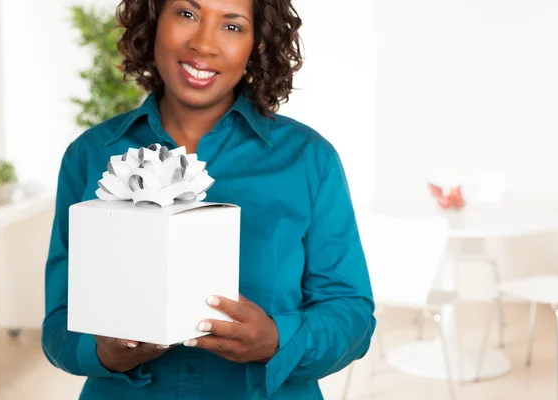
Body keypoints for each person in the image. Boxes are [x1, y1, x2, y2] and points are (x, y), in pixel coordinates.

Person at [41, 0, 376, 398]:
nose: (204, 44)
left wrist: (276, 339)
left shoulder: (308, 159)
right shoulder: (91, 154)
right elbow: (58, 324)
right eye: (187, 14)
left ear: (258, 44)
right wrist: (104, 352)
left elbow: (351, 313)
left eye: (232, 27)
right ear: (154, 21)